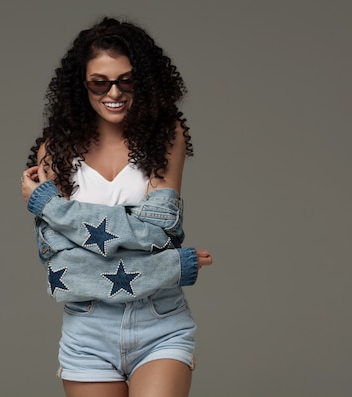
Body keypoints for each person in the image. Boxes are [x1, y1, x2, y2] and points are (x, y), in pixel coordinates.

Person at [21, 16, 212, 397]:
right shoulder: (56, 152)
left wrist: (51, 206)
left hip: (160, 320)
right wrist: (171, 264)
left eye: (127, 80)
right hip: (87, 331)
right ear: (82, 85)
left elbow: (159, 231)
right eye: (100, 81)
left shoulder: (163, 136)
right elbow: (63, 267)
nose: (115, 91)